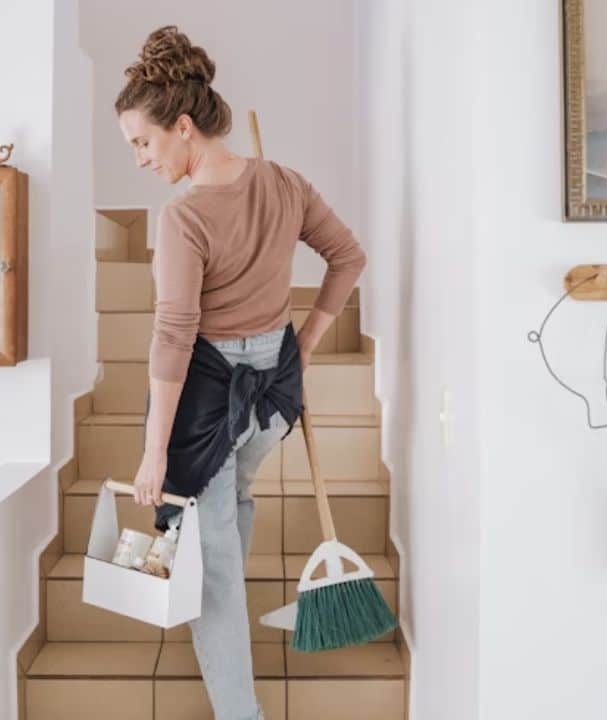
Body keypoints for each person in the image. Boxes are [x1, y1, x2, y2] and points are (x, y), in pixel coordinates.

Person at [114, 25, 366, 720]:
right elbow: (348, 256)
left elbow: (174, 336)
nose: (139, 159)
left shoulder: (184, 217)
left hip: (209, 400)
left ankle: (240, 713)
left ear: (184, 127)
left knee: (212, 564)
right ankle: (229, 605)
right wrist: (306, 342)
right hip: (275, 391)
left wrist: (154, 451)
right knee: (232, 505)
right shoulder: (284, 182)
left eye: (142, 142)